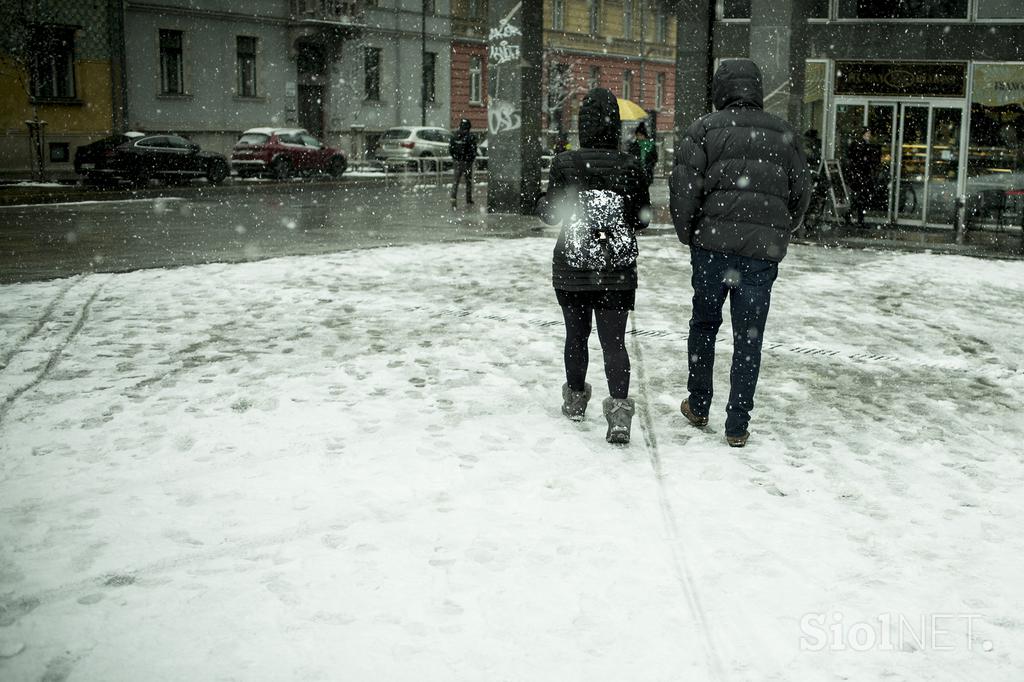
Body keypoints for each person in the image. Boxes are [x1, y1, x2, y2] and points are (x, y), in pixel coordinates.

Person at [670, 59, 811, 448]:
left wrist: (691, 234)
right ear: (757, 89)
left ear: (721, 90)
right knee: (749, 336)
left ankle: (699, 404)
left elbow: (684, 191)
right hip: (761, 252)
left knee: (704, 326)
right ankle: (737, 424)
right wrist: (781, 229)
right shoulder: (784, 133)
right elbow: (801, 192)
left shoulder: (703, 130)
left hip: (712, 247)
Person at [537, 87, 651, 444]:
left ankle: (574, 399)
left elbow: (551, 215)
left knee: (576, 335)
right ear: (615, 125)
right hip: (615, 270)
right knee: (614, 342)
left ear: (582, 125)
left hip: (572, 266)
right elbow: (642, 219)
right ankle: (619, 412)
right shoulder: (631, 166)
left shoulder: (565, 163)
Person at [846, 127, 881, 226]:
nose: (869, 135)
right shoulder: (860, 145)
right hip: (861, 176)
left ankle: (853, 216)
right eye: (867, 133)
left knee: (861, 198)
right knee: (861, 198)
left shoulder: (861, 144)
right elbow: (860, 160)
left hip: (861, 176)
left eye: (869, 133)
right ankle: (858, 219)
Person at [448, 118, 478, 208]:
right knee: (468, 181)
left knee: (456, 180)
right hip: (467, 162)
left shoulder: (455, 136)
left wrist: (455, 158)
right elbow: (473, 150)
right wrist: (470, 159)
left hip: (457, 162)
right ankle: (468, 199)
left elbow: (451, 148)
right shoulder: (470, 137)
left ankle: (453, 197)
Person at [627, 121, 658, 187]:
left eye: (640, 135)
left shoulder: (650, 145)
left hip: (647, 171)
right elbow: (630, 157)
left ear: (644, 135)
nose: (639, 137)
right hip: (636, 172)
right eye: (637, 135)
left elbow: (654, 158)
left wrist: (649, 165)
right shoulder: (634, 145)